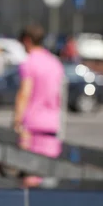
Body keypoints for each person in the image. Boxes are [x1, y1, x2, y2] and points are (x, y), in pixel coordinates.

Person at [14, 24, 63, 188]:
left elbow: (24, 93)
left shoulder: (29, 63)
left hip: (32, 125)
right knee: (48, 174)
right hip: (52, 123)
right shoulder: (55, 63)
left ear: (27, 41)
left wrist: (17, 120)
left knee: (30, 175)